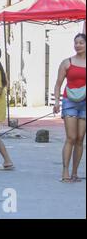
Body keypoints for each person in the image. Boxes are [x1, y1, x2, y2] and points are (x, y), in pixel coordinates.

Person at [53, 33, 86, 183]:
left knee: (80, 139)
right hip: (69, 101)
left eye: (81, 43)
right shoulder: (67, 62)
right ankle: (65, 171)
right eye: (76, 43)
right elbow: (58, 84)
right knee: (71, 137)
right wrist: (56, 102)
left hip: (85, 103)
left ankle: (75, 173)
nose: (78, 45)